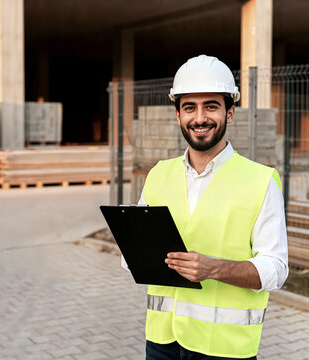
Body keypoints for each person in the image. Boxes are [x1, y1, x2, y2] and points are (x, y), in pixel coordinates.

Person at [123, 54, 288, 360]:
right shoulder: (159, 174)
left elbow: (276, 269)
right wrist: (132, 250)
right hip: (162, 341)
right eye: (190, 107)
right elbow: (134, 257)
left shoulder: (261, 181)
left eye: (211, 105)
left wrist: (214, 269)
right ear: (178, 115)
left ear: (231, 111)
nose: (200, 118)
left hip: (224, 347)